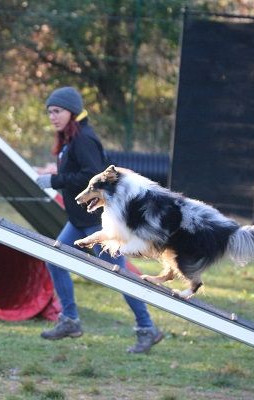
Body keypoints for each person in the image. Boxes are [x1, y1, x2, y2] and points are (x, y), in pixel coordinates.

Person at [36, 86, 163, 353]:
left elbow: (92, 177)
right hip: (79, 220)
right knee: (55, 260)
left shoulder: (83, 140)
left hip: (99, 222)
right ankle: (70, 320)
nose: (52, 117)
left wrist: (54, 180)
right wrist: (55, 173)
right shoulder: (71, 139)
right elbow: (78, 171)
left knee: (118, 274)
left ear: (72, 111)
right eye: (49, 112)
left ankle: (147, 328)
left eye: (57, 111)